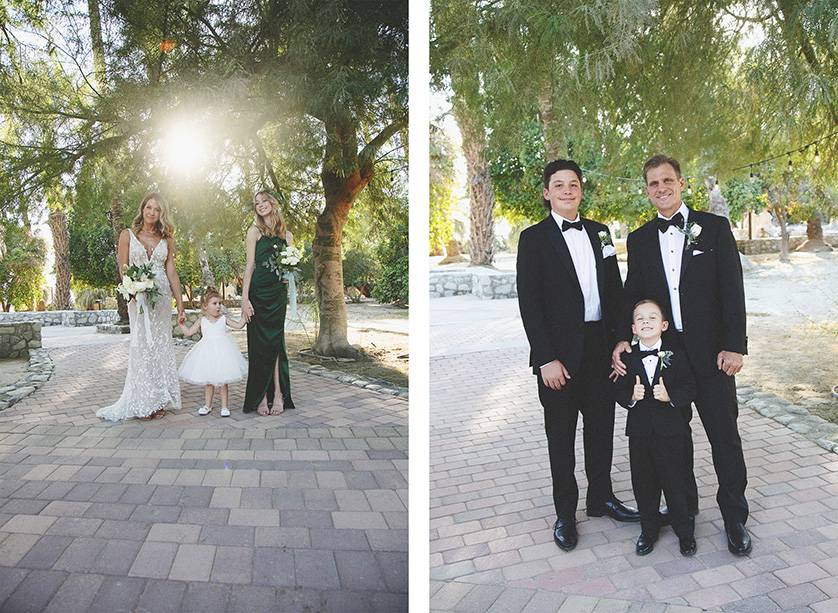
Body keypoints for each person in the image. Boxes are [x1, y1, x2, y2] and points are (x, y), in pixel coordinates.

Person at [612, 154, 751, 556]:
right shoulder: (638, 239)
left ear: (682, 183)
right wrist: (624, 338)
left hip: (712, 355)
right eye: (653, 183)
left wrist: (735, 345)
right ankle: (682, 512)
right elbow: (632, 294)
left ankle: (735, 519)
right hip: (666, 359)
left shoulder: (715, 228)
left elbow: (732, 290)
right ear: (646, 190)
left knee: (724, 438)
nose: (661, 188)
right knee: (671, 441)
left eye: (667, 180)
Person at [517, 159, 640, 552]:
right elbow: (530, 304)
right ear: (546, 192)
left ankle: (600, 497)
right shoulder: (533, 238)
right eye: (559, 185)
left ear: (581, 190)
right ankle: (565, 513)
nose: (567, 190)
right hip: (559, 355)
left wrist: (621, 339)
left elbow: (616, 292)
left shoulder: (601, 233)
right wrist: (545, 358)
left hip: (600, 347)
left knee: (601, 427)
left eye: (573, 184)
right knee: (561, 434)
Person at [614, 299, 697, 557]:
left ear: (664, 325)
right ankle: (648, 530)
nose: (646, 322)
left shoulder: (678, 355)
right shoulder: (626, 358)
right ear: (633, 328)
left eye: (652, 318)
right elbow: (617, 389)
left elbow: (690, 388)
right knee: (644, 482)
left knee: (676, 481)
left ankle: (685, 531)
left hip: (672, 431)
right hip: (640, 432)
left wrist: (670, 396)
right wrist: (630, 396)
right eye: (640, 319)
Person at [97, 193, 185, 421]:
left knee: (161, 345)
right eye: (148, 207)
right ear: (142, 209)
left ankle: (158, 401)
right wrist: (133, 291)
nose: (151, 213)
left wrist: (181, 304)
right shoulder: (127, 235)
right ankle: (144, 399)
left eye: (157, 210)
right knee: (142, 345)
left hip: (162, 298)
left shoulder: (167, 239)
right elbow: (123, 267)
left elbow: (171, 272)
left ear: (161, 214)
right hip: (138, 298)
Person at [240, 189, 296, 416]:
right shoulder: (254, 232)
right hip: (257, 293)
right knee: (258, 344)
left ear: (273, 203)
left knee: (275, 344)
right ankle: (261, 396)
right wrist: (244, 299)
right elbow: (250, 265)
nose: (260, 205)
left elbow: (290, 267)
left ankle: (278, 395)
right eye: (256, 203)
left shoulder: (288, 236)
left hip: (276, 295)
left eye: (264, 201)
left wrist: (287, 275)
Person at [177, 287, 248, 417]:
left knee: (223, 381)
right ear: (205, 306)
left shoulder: (223, 319)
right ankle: (207, 405)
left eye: (219, 303)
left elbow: (238, 325)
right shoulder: (201, 321)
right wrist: (181, 324)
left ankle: (224, 407)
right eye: (214, 304)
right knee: (209, 381)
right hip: (207, 353)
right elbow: (188, 332)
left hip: (223, 352)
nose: (218, 306)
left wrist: (245, 315)